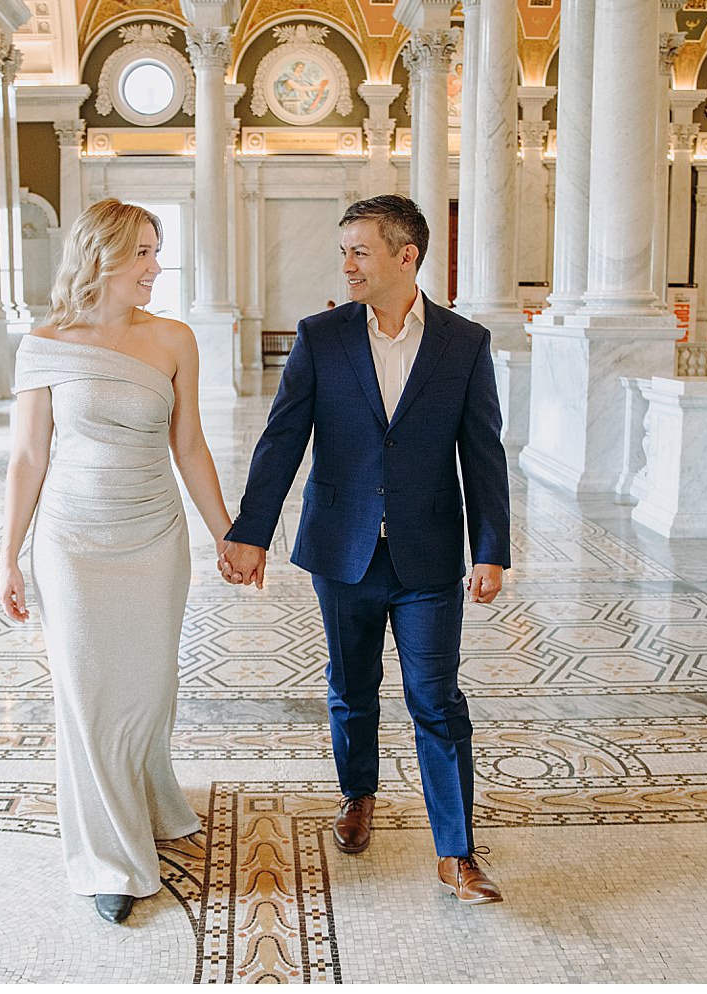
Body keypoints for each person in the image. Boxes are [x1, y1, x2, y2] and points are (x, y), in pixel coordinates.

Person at [219, 194, 511, 904]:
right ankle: (359, 795)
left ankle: (456, 852)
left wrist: (491, 547)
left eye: (360, 251)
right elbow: (283, 438)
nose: (346, 264)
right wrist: (251, 531)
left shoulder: (463, 343)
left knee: (435, 698)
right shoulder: (321, 337)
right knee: (351, 689)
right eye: (343, 250)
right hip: (342, 548)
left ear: (405, 257)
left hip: (430, 555)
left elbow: (483, 451)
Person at [0, 199, 234, 925]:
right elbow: (29, 456)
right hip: (71, 546)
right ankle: (108, 859)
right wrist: (8, 555)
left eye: (156, 251)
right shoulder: (44, 343)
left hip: (154, 539)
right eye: (142, 252)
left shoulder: (174, 341)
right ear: (99, 254)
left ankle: (149, 801)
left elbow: (188, 445)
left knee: (146, 691)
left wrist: (228, 535)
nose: (155, 266)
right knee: (88, 696)